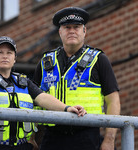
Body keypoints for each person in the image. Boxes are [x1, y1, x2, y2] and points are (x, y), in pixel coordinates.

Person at [0, 36, 86, 150]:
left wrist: (67, 108)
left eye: (9, 53)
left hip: (21, 146)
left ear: (15, 58)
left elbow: (43, 98)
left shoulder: (24, 81)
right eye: (0, 52)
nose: (5, 56)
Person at [33, 7, 120, 150]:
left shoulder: (99, 59)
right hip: (52, 137)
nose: (72, 31)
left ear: (84, 31)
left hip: (86, 135)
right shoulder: (45, 62)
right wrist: (31, 138)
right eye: (67, 27)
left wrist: (109, 139)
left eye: (77, 27)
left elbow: (113, 100)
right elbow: (33, 101)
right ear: (60, 32)